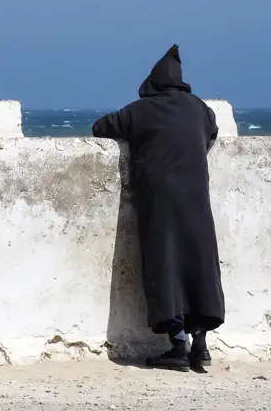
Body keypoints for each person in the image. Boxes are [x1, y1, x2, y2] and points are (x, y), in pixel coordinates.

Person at [92, 44, 224, 372]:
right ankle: (201, 345)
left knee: (165, 266)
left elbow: (101, 127)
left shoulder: (140, 111)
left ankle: (178, 345)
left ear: (152, 84)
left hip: (159, 201)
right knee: (199, 266)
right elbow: (212, 134)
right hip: (197, 200)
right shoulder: (201, 109)